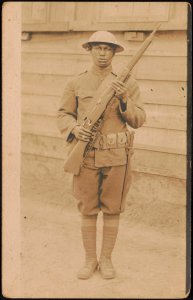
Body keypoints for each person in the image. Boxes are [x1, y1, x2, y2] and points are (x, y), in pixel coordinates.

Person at [57, 31, 146, 280]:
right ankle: (89, 260)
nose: (103, 53)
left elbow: (139, 120)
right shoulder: (75, 82)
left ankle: (106, 260)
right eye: (98, 48)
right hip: (85, 154)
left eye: (108, 49)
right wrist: (74, 128)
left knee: (112, 209)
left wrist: (124, 99)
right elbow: (63, 114)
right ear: (90, 50)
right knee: (87, 208)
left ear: (115, 52)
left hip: (117, 156)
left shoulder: (127, 83)